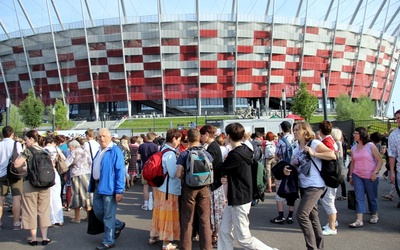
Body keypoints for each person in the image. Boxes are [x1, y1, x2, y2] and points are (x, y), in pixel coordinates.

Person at [218, 123, 277, 250]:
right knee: (224, 230)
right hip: (239, 195)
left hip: (239, 197)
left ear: (228, 136)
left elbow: (220, 169)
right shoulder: (246, 149)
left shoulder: (235, 155)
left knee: (243, 238)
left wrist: (223, 174)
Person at [286, 121, 335, 250]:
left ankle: (311, 248)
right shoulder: (297, 148)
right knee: (313, 218)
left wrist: (314, 154)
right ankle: (319, 247)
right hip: (303, 185)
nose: (295, 132)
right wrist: (288, 169)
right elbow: (295, 166)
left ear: (305, 131)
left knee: (302, 215)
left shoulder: (314, 143)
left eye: (297, 129)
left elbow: (332, 155)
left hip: (315, 185)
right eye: (294, 129)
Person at [14, 130, 53, 246]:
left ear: (31, 139)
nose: (25, 142)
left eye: (26, 140)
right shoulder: (45, 151)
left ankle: (34, 238)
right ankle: (45, 237)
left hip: (30, 183)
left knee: (30, 210)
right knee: (44, 210)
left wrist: (25, 168)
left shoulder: (27, 151)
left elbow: (16, 164)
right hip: (45, 184)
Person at [88, 128, 126, 250]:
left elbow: (120, 172)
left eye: (104, 136)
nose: (102, 138)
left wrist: (119, 191)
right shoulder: (99, 150)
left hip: (109, 187)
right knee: (98, 212)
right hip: (98, 185)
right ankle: (118, 224)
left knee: (108, 215)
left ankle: (108, 240)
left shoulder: (115, 151)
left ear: (110, 137)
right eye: (99, 136)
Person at [177, 128, 213, 250]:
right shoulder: (206, 154)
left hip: (189, 188)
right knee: (204, 220)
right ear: (199, 139)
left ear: (187, 139)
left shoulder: (184, 154)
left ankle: (186, 247)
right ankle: (207, 247)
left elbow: (178, 174)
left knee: (187, 220)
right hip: (204, 187)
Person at [149, 129, 182, 250]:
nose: (179, 142)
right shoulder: (171, 154)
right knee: (168, 215)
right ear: (174, 138)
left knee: (158, 213)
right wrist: (181, 166)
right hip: (169, 189)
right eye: (178, 139)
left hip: (160, 187)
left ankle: (154, 236)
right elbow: (173, 173)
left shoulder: (162, 149)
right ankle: (166, 242)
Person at [348, 127, 383, 228]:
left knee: (372, 196)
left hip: (370, 175)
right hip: (357, 174)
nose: (354, 135)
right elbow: (353, 163)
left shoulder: (370, 146)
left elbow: (380, 161)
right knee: (359, 197)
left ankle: (374, 213)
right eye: (354, 133)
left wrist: (375, 172)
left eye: (356, 133)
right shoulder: (354, 148)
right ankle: (359, 219)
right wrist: (351, 176)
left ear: (362, 134)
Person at [200, 125, 224, 248]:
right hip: (217, 183)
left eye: (202, 135)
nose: (201, 137)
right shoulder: (214, 146)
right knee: (215, 212)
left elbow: (207, 166)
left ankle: (214, 237)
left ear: (207, 134)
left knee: (213, 212)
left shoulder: (212, 148)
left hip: (214, 184)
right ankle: (215, 236)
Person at [270, 121, 296, 224]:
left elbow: (277, 156)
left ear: (282, 128)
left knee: (279, 191)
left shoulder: (281, 141)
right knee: (292, 191)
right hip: (294, 167)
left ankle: (281, 215)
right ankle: (290, 216)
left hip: (283, 167)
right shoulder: (295, 140)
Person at [0, 126, 23, 230]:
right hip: (15, 173)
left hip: (1, 174)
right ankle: (16, 222)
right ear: (12, 134)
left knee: (1, 199)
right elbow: (20, 158)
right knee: (16, 198)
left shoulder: (0, 145)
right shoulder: (16, 144)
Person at [318, 121, 339, 236]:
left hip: (329, 174)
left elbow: (331, 155)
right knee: (329, 200)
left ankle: (332, 227)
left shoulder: (327, 141)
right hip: (332, 174)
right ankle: (332, 222)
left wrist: (315, 154)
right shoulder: (331, 140)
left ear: (321, 130)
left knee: (328, 200)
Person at [66, 140, 92, 223]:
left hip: (76, 175)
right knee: (87, 195)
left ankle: (77, 218)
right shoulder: (85, 152)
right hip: (87, 174)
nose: (70, 149)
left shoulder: (74, 153)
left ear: (73, 147)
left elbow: (66, 164)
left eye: (70, 148)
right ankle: (89, 216)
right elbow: (91, 162)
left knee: (76, 195)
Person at [43, 136, 65, 227]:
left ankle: (51, 219)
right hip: (55, 173)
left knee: (48, 197)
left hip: (46, 173)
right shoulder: (56, 149)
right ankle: (59, 219)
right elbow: (63, 158)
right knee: (56, 196)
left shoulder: (43, 150)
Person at [138, 132, 159, 210]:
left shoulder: (141, 146)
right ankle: (154, 203)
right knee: (154, 186)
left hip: (145, 167)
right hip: (153, 168)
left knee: (145, 186)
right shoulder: (155, 146)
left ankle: (146, 203)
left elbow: (138, 158)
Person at [389, 109, 400, 208]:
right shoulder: (393, 135)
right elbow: (392, 154)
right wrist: (392, 172)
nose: (399, 120)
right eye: (397, 118)